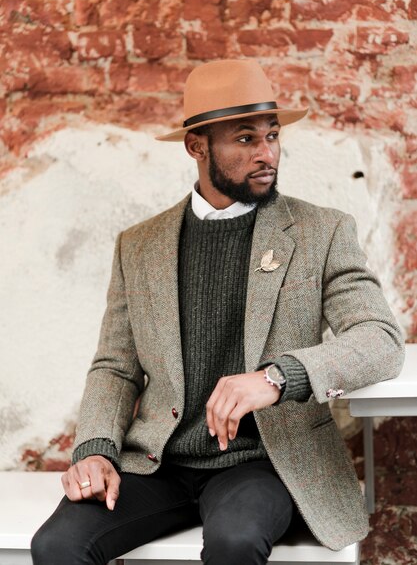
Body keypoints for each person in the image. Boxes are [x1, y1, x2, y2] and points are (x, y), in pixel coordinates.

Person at [31, 59, 404, 565]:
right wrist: (95, 448)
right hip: (157, 463)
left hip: (264, 463)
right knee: (57, 546)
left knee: (234, 541)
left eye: (272, 136)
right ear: (196, 146)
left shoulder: (322, 232)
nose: (267, 153)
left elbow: (380, 339)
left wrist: (276, 378)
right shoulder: (138, 246)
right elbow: (114, 367)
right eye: (246, 140)